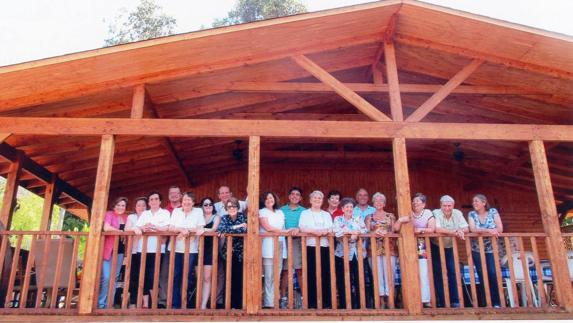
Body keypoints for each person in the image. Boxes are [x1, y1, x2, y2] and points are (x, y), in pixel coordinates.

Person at [395, 193, 435, 307]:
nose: (415, 202)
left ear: (424, 204)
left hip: (422, 246)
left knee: (423, 272)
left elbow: (432, 229)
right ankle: (410, 299)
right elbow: (397, 229)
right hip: (407, 245)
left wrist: (419, 230)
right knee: (408, 271)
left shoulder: (427, 213)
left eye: (418, 201)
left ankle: (425, 299)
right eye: (414, 201)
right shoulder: (409, 213)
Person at [133, 192, 170, 308]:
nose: (154, 201)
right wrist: (142, 228)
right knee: (142, 276)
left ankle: (154, 303)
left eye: (156, 199)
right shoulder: (145, 214)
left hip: (158, 250)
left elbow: (167, 228)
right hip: (142, 249)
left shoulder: (165, 213)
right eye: (151, 199)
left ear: (160, 201)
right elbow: (137, 227)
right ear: (149, 202)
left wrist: (154, 227)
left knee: (153, 276)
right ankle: (145, 304)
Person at [168, 192, 205, 309]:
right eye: (184, 200)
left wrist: (185, 232)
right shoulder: (176, 211)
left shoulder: (198, 212)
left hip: (191, 250)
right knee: (175, 276)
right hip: (175, 249)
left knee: (187, 276)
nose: (187, 202)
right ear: (181, 201)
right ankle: (175, 305)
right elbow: (171, 227)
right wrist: (182, 230)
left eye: (189, 200)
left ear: (193, 202)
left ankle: (185, 304)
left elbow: (199, 228)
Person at [431, 195, 468, 308]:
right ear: (440, 206)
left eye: (449, 205)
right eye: (444, 206)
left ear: (453, 205)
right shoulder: (436, 212)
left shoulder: (457, 213)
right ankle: (442, 301)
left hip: (450, 246)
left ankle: (455, 300)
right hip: (436, 246)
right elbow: (437, 229)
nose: (447, 208)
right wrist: (455, 232)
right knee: (438, 273)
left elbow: (466, 228)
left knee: (453, 271)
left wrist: (460, 230)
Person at [299, 190, 333, 309]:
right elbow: (303, 227)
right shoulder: (305, 213)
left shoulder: (326, 214)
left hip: (324, 247)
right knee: (311, 274)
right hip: (310, 246)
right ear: (310, 200)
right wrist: (316, 232)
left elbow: (330, 228)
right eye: (315, 198)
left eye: (319, 198)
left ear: (322, 200)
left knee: (325, 274)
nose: (317, 200)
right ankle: (312, 303)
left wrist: (324, 231)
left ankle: (326, 302)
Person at [214, 185, 247, 307]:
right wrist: (237, 227)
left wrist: (234, 230)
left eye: (233, 206)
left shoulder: (243, 217)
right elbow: (222, 230)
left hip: (240, 253)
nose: (231, 208)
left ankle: (238, 304)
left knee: (239, 277)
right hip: (227, 253)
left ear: (237, 207)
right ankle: (229, 303)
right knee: (228, 277)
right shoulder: (224, 217)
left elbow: (244, 231)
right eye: (229, 207)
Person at [468, 194, 503, 308]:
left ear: (484, 203)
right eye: (473, 202)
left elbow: (499, 228)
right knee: (482, 275)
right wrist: (489, 230)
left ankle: (496, 302)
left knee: (493, 273)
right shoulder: (472, 214)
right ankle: (486, 302)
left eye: (477, 201)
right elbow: (473, 229)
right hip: (477, 249)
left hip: (491, 248)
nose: (474, 203)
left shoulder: (493, 212)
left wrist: (487, 231)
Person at [333, 197, 368, 309]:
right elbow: (336, 232)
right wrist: (351, 232)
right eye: (347, 207)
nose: (349, 209)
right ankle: (344, 305)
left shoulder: (358, 218)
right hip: (342, 254)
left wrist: (357, 232)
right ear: (342, 209)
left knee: (358, 279)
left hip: (357, 254)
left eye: (351, 207)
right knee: (343, 280)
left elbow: (364, 230)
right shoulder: (338, 219)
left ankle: (360, 305)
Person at [259, 191, 290, 308]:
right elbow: (267, 228)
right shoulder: (261, 212)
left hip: (281, 245)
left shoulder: (280, 212)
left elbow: (283, 227)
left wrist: (286, 231)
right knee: (269, 275)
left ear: (275, 199)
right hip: (268, 246)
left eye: (271, 197)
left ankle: (275, 301)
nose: (269, 200)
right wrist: (285, 232)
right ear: (263, 201)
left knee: (277, 274)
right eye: (266, 198)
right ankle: (268, 303)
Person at [366, 192, 397, 309]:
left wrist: (386, 233)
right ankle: (380, 301)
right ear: (373, 203)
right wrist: (374, 233)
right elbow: (367, 232)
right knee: (377, 275)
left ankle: (390, 300)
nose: (378, 203)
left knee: (389, 274)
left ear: (384, 203)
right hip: (373, 249)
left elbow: (394, 231)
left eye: (381, 201)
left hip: (390, 249)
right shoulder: (369, 217)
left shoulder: (390, 216)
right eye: (376, 201)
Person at [98, 197, 128, 309]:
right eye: (118, 205)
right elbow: (106, 227)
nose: (120, 207)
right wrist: (119, 231)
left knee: (114, 278)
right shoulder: (109, 214)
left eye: (123, 205)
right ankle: (101, 303)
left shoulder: (126, 217)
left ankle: (109, 304)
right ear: (114, 206)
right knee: (106, 277)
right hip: (108, 250)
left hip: (120, 250)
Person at [279, 187, 304, 309]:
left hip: (298, 241)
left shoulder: (304, 211)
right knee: (285, 271)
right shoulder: (281, 210)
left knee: (299, 270)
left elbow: (305, 225)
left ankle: (304, 299)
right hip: (284, 241)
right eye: (292, 194)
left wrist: (298, 229)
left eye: (297, 194)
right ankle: (283, 298)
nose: (295, 196)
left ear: (300, 198)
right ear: (289, 197)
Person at [159, 185, 183, 307]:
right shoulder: (164, 210)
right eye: (171, 193)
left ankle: (178, 300)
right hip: (166, 245)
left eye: (176, 193)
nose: (174, 195)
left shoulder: (185, 208)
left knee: (180, 273)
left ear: (180, 195)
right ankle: (163, 300)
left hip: (183, 244)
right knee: (164, 272)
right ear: (168, 196)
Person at [124, 196, 148, 308]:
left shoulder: (149, 216)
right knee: (133, 277)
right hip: (133, 251)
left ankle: (145, 303)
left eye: (143, 205)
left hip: (146, 251)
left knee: (145, 276)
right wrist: (136, 228)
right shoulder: (131, 217)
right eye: (139, 205)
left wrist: (142, 228)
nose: (141, 207)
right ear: (135, 207)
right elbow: (126, 229)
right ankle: (133, 302)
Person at [199, 197, 221, 309]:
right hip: (197, 249)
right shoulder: (199, 217)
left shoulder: (216, 217)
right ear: (202, 206)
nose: (208, 206)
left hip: (210, 249)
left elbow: (213, 229)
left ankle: (203, 305)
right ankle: (198, 303)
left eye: (210, 204)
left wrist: (203, 230)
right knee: (199, 278)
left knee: (207, 278)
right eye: (205, 204)